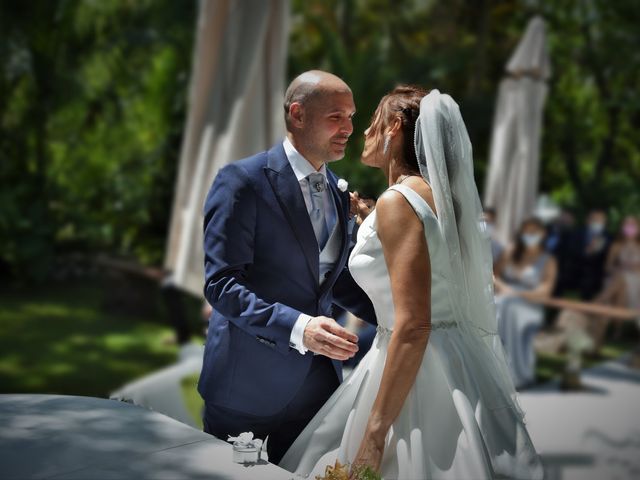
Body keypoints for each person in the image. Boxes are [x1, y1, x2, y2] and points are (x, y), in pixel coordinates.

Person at [280, 87, 543, 479]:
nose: (362, 132)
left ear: (395, 128)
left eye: (371, 123)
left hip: (412, 367)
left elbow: (415, 324)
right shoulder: (443, 198)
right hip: (457, 363)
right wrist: (371, 219)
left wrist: (374, 432)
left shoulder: (398, 202)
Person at [198, 70, 376, 464]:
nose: (350, 128)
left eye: (351, 116)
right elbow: (222, 284)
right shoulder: (242, 181)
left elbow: (331, 278)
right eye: (336, 117)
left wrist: (396, 313)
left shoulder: (335, 187)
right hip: (246, 385)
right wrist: (301, 328)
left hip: (319, 387)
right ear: (297, 114)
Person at [494, 218, 558, 388]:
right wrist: (504, 288)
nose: (530, 235)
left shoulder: (548, 260)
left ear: (543, 234)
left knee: (508, 306)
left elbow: (545, 291)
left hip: (530, 304)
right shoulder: (510, 252)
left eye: (534, 232)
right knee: (502, 304)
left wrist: (516, 293)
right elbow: (493, 275)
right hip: (503, 298)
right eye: (526, 231)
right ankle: (492, 368)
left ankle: (514, 372)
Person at [575, 209, 611, 300]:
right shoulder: (577, 233)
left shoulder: (609, 237)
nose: (597, 222)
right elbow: (571, 252)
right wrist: (586, 252)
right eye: (594, 219)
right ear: (587, 220)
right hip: (577, 272)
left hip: (598, 275)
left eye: (600, 220)